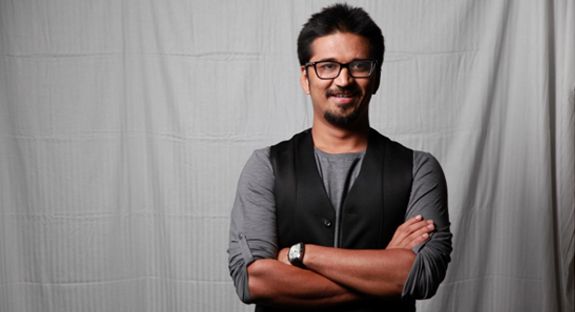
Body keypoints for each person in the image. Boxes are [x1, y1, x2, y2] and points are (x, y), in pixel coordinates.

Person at [228, 4, 452, 311]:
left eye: (358, 65)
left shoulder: (419, 169)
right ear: (305, 78)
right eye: (327, 66)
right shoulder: (265, 166)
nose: (343, 80)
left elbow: (422, 275)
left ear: (376, 78)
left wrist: (300, 254)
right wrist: (385, 271)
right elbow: (253, 281)